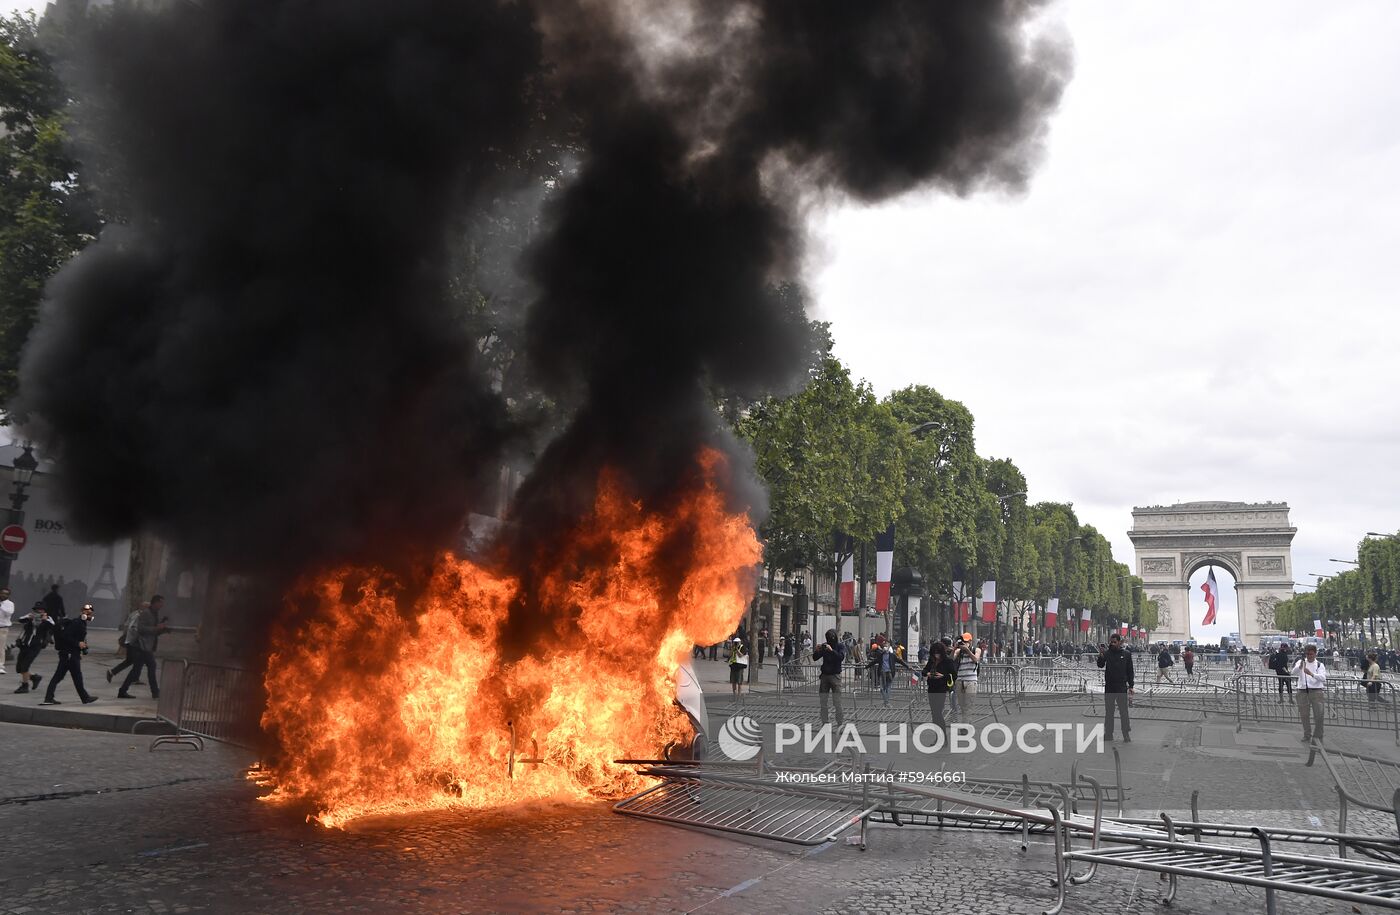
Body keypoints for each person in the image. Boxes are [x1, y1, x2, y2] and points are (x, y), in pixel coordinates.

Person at [42, 603, 97, 705]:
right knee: (74, 677)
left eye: (90, 613)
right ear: (82, 612)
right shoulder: (77, 623)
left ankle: (49, 698)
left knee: (65, 677)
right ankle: (84, 698)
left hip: (71, 654)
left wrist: (82, 647)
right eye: (86, 612)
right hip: (69, 654)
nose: (89, 615)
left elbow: (78, 638)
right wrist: (77, 643)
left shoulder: (81, 623)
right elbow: (65, 636)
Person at [118, 602, 161, 699]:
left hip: (142, 646)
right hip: (142, 646)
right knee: (151, 666)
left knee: (136, 670)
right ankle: (155, 692)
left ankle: (123, 690)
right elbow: (135, 629)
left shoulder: (146, 615)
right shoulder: (139, 616)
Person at [1097, 634, 1134, 742]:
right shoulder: (1107, 653)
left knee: (1124, 711)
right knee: (1109, 711)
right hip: (1109, 687)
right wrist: (1101, 656)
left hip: (1122, 687)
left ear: (1119, 642)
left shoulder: (1126, 654)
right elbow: (1100, 665)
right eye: (1111, 642)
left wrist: (1131, 685)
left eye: (1114, 642)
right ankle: (1108, 733)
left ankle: (1126, 733)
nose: (1112, 644)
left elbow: (1130, 671)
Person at [12, 604, 52, 694]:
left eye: (41, 610)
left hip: (35, 646)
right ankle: (34, 677)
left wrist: (45, 620)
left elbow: (54, 627)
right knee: (19, 668)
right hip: (24, 645)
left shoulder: (48, 619)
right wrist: (29, 618)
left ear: (45, 611)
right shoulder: (30, 616)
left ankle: (24, 686)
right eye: (37, 610)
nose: (38, 612)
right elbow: (20, 620)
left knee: (25, 666)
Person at [1292, 643, 1327, 743]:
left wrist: (1312, 674)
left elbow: (1323, 678)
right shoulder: (1301, 662)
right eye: (1307, 654)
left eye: (1311, 654)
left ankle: (1319, 736)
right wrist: (1299, 667)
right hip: (1302, 691)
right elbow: (1293, 672)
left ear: (1315, 654)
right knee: (1304, 715)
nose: (1309, 656)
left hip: (1316, 691)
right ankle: (1307, 734)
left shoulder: (1320, 665)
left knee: (1319, 715)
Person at [107, 602, 149, 684]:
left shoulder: (134, 614)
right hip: (133, 642)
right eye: (148, 608)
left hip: (130, 641)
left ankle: (112, 672)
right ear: (144, 608)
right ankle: (132, 679)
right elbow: (132, 628)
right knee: (138, 660)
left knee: (130, 661)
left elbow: (126, 625)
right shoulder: (138, 616)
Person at [921, 641, 958, 735]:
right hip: (931, 688)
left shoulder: (948, 661)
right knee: (934, 714)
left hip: (941, 689)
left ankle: (943, 736)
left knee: (938, 713)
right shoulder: (932, 660)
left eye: (938, 653)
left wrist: (943, 676)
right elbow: (924, 670)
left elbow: (954, 675)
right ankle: (938, 736)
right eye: (934, 653)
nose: (936, 655)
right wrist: (928, 673)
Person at [812, 628, 846, 728]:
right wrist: (817, 650)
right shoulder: (825, 646)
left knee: (837, 701)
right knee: (823, 700)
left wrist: (832, 651)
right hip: (825, 675)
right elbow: (815, 658)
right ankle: (825, 721)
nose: (829, 640)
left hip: (835, 675)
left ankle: (839, 722)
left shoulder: (840, 646)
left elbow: (840, 657)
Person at [866, 636, 911, 706]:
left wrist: (908, 666)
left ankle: (886, 702)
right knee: (882, 688)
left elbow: (900, 661)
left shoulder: (892, 655)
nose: (885, 647)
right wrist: (866, 666)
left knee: (888, 687)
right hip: (882, 672)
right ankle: (886, 702)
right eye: (884, 646)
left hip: (889, 672)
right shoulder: (881, 655)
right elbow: (875, 661)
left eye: (887, 646)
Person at [952, 632, 981, 720]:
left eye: (966, 642)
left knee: (969, 704)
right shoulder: (958, 651)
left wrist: (967, 650)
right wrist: (954, 648)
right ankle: (967, 723)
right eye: (962, 642)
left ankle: (965, 727)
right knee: (962, 705)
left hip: (971, 681)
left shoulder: (976, 650)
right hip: (960, 680)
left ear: (970, 642)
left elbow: (976, 659)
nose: (964, 644)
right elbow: (950, 660)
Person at [0, 586, 13, 675]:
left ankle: (1, 666)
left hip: (3, 628)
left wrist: (1, 606)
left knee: (1, 648)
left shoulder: (10, 604)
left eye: (6, 594)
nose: (3, 595)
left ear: (8, 595)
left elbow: (9, 613)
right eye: (2, 593)